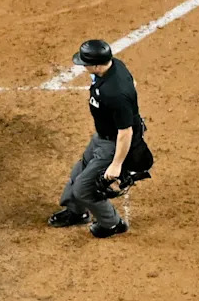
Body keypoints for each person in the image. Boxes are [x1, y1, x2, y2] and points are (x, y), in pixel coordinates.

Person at [47, 39, 146, 238]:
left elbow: (126, 132)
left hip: (113, 144)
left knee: (85, 187)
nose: (83, 66)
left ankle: (112, 224)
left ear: (98, 65)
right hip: (101, 137)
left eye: (86, 63)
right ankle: (77, 212)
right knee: (79, 173)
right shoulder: (113, 66)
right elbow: (132, 82)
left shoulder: (115, 94)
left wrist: (116, 164)